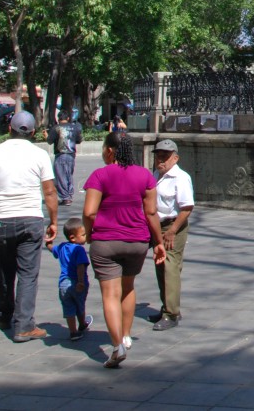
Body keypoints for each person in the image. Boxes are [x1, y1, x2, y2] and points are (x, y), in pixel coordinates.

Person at [0, 110, 57, 342]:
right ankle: (24, 325)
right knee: (28, 274)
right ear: (34, 133)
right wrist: (54, 221)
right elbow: (49, 191)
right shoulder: (40, 155)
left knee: (5, 271)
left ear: (9, 128)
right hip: (30, 219)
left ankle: (2, 315)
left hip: (2, 220)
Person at [82, 130, 166, 367]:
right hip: (137, 241)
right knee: (128, 288)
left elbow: (89, 212)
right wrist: (158, 242)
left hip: (105, 241)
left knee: (110, 294)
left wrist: (88, 233)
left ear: (109, 151)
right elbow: (151, 212)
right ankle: (127, 335)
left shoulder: (100, 175)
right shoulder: (145, 176)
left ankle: (117, 344)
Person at [148, 139, 194, 331]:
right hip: (158, 227)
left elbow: (187, 207)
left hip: (172, 226)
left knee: (170, 268)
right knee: (161, 267)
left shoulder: (180, 178)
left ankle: (171, 314)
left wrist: (173, 230)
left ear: (175, 158)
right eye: (158, 155)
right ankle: (167, 305)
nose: (161, 160)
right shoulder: (155, 175)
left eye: (165, 156)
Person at [48, 218, 93, 340]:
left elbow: (52, 249)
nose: (85, 237)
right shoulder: (79, 250)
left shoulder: (62, 247)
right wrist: (80, 281)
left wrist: (49, 240)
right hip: (76, 282)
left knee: (68, 307)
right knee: (80, 304)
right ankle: (82, 324)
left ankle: (73, 332)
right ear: (73, 237)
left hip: (63, 284)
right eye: (83, 235)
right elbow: (80, 267)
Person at [51, 110, 83, 206]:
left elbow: (49, 140)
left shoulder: (56, 128)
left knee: (60, 176)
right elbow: (79, 140)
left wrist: (46, 135)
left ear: (58, 118)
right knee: (69, 175)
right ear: (68, 118)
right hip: (71, 155)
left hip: (60, 154)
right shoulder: (75, 128)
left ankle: (65, 197)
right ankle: (69, 194)